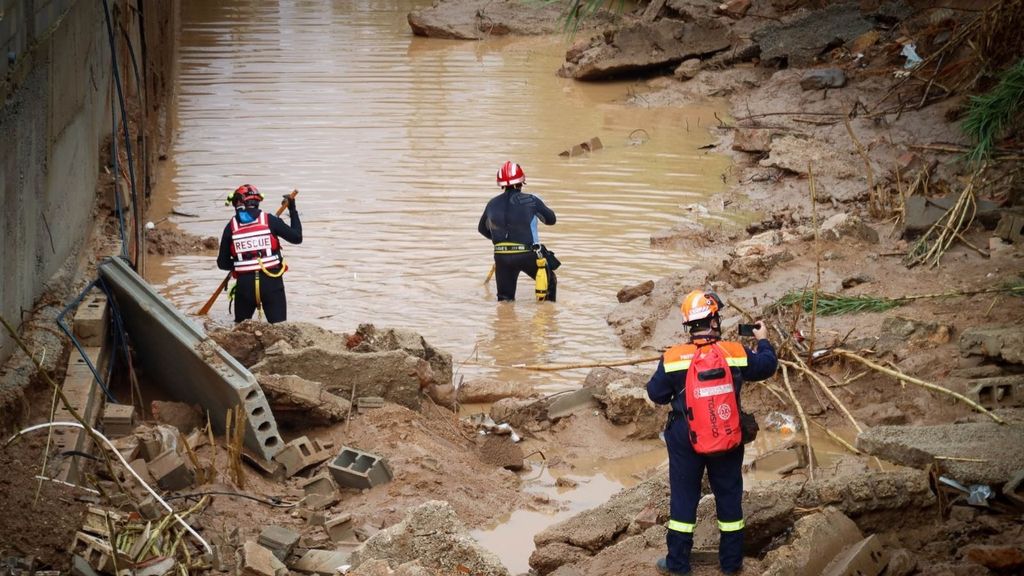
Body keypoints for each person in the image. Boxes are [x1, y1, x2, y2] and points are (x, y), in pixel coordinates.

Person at [646, 290, 778, 576]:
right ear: (714, 321)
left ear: (688, 326)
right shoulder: (735, 352)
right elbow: (768, 365)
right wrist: (763, 339)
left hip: (685, 436)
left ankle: (678, 565)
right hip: (727, 432)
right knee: (729, 496)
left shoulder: (673, 357)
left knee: (683, 498)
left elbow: (655, 394)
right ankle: (731, 564)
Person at [217, 184, 302, 323]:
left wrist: (240, 263)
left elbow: (222, 263)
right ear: (257, 202)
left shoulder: (231, 226)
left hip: (245, 286)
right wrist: (292, 210)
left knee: (241, 330)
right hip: (272, 283)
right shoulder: (270, 220)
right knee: (279, 329)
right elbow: (297, 238)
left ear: (238, 203)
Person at [478, 161, 557, 302]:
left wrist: (502, 241)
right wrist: (538, 205)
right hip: (528, 255)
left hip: (501, 256)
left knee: (504, 301)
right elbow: (551, 220)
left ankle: (506, 321)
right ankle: (547, 317)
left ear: (501, 184)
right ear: (522, 181)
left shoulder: (491, 204)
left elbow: (482, 229)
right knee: (550, 282)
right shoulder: (532, 200)